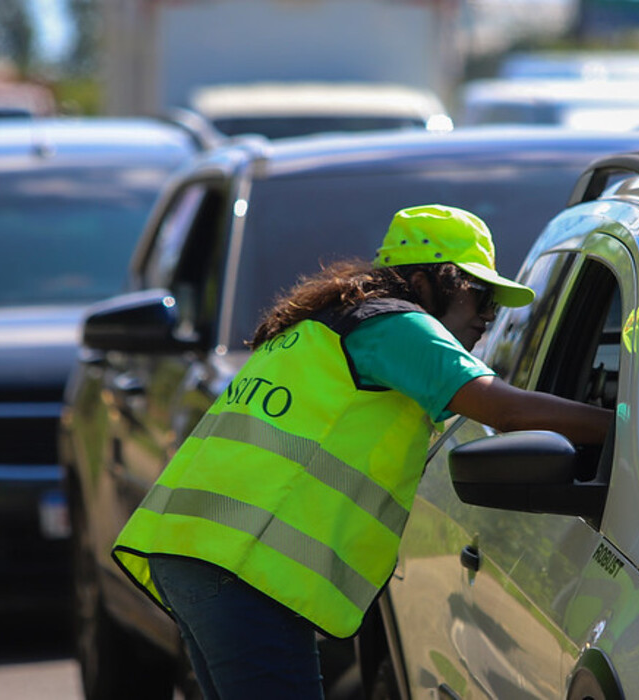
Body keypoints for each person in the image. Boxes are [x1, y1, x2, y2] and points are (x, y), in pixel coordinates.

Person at [110, 204, 613, 699]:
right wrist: (623, 425)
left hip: (194, 550)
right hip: (239, 568)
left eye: (495, 305)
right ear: (424, 283)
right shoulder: (394, 326)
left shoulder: (326, 324)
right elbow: (505, 410)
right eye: (479, 296)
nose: (487, 317)